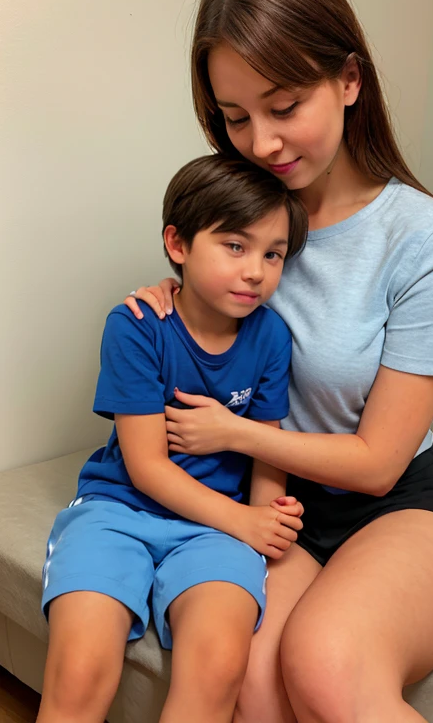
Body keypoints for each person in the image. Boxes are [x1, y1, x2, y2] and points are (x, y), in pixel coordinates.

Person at [124, 0, 433, 722]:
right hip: (277, 502)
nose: (260, 141)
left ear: (350, 80)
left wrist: (226, 429)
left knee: (323, 663)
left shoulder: (426, 239)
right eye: (234, 117)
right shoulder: (246, 227)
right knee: (252, 680)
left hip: (401, 503)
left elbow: (378, 462)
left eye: (284, 105)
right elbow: (209, 339)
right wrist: (171, 292)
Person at [37, 154, 308, 723]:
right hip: (119, 509)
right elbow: (146, 467)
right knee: (80, 665)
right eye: (235, 246)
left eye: (273, 254)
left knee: (217, 665)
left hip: (213, 531)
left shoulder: (272, 338)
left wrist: (267, 521)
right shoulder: (136, 325)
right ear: (178, 245)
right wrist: (246, 523)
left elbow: (264, 447)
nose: (257, 270)